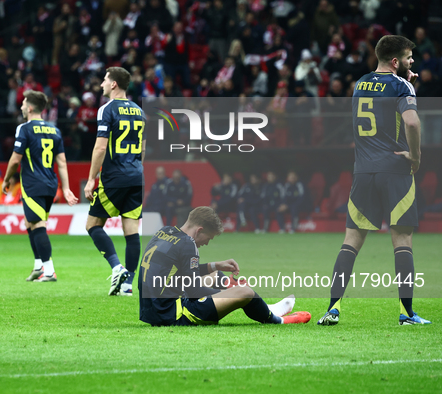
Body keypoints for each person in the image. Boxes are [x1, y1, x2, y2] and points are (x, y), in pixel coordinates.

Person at [318, 35, 431, 326]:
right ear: (395, 61)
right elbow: (411, 122)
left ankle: (333, 308)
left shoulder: (360, 85)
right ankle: (407, 314)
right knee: (402, 241)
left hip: (363, 172)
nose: (411, 62)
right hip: (396, 170)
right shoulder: (401, 85)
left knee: (350, 242)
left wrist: (407, 85)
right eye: (408, 57)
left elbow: (381, 111)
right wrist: (415, 157)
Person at [139, 206, 311, 326]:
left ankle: (263, 306)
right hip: (171, 314)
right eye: (209, 238)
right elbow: (195, 292)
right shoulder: (188, 244)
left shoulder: (166, 231)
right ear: (199, 230)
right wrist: (229, 295)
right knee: (245, 292)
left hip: (151, 309)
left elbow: (183, 273)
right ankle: (277, 319)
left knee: (215, 276)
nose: (206, 243)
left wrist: (215, 265)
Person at [3, 90, 78, 283]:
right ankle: (38, 265)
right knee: (30, 223)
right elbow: (61, 163)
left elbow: (15, 160)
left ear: (29, 108)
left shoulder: (24, 129)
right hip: (50, 184)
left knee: (37, 225)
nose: (20, 107)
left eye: (23, 103)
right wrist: (66, 188)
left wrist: (6, 179)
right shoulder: (55, 130)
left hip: (32, 184)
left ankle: (49, 270)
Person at [83, 67, 145, 296]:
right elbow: (143, 148)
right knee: (131, 231)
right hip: (137, 175)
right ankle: (128, 285)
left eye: (104, 80)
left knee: (92, 225)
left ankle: (117, 268)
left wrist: (91, 179)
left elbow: (100, 146)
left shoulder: (106, 110)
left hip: (114, 176)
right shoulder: (140, 111)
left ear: (114, 84)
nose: (101, 84)